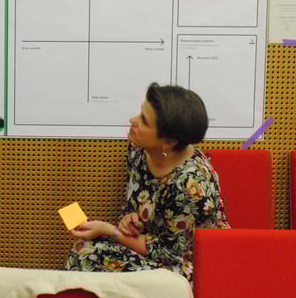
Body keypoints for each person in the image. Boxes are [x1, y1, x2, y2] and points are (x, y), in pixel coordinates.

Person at [65, 82, 229, 281]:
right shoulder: (139, 148)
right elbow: (135, 204)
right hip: (151, 246)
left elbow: (169, 253)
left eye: (144, 121)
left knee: (86, 259)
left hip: (187, 265)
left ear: (167, 142)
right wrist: (130, 219)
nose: (133, 120)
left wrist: (110, 231)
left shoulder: (191, 186)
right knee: (82, 251)